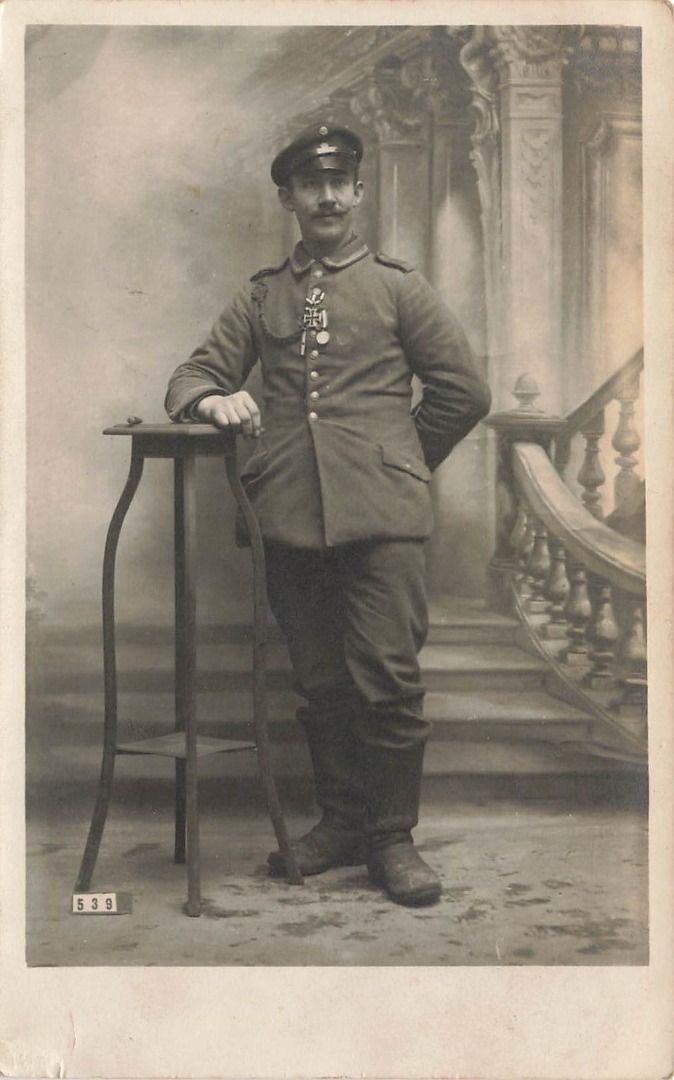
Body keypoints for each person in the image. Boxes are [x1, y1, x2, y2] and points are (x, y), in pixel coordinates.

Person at [165, 124, 491, 907]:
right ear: (289, 198)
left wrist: (397, 461)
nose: (328, 197)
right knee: (319, 681)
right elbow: (190, 376)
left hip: (383, 522)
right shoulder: (263, 295)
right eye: (312, 186)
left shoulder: (398, 288)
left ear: (359, 191)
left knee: (389, 679)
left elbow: (464, 392)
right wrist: (214, 399)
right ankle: (342, 824)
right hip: (287, 517)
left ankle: (392, 838)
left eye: (340, 183)